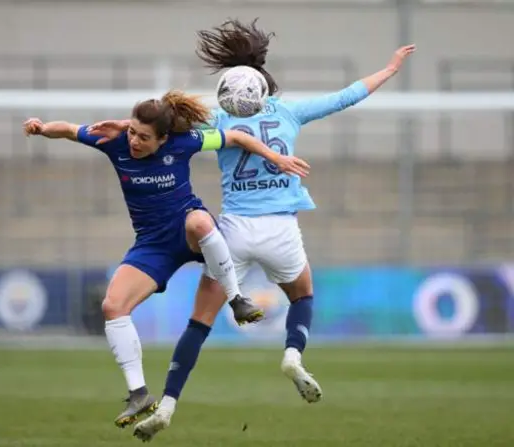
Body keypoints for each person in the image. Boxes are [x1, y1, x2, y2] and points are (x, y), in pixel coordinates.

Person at [89, 19, 415, 442]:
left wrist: (121, 127)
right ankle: (293, 355)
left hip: (234, 233)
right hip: (281, 230)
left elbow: (162, 129)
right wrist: (388, 69)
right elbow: (345, 97)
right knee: (303, 295)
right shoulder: (291, 113)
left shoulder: (216, 119)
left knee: (198, 324)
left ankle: (167, 405)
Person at [22, 89, 310, 429]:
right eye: (132, 132)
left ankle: (236, 299)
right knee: (112, 307)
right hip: (152, 245)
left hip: (187, 227)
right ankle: (139, 394)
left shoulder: (184, 142)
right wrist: (41, 129)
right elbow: (69, 130)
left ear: (163, 139)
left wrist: (276, 159)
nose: (134, 141)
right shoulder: (113, 141)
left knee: (202, 221)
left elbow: (235, 136)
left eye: (144, 137)